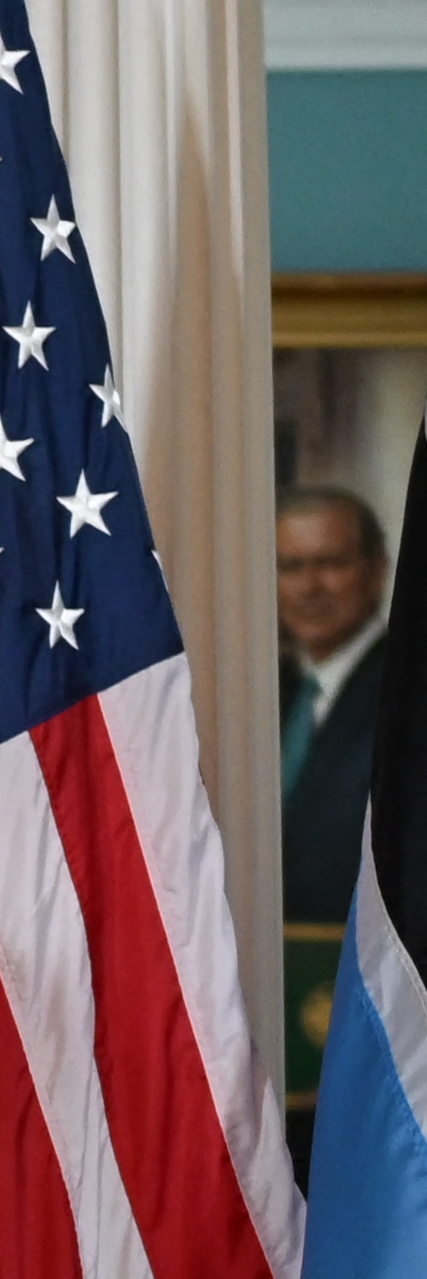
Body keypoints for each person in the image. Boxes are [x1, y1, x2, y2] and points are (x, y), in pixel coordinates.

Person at [276, 483, 392, 1175]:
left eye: (330, 563)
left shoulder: (406, 692)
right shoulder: (268, 690)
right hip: (279, 1041)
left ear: (376, 568)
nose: (309, 586)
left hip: (368, 1038)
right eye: (291, 566)